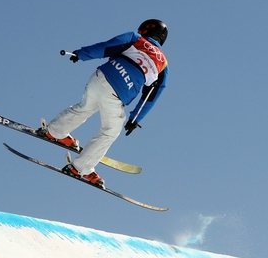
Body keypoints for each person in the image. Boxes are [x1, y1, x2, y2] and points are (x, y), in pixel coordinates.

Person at [37, 19, 169, 188]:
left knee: (84, 107)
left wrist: (81, 54)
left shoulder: (135, 38)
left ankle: (54, 131)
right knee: (110, 131)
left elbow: (108, 46)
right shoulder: (163, 65)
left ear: (143, 30)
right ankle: (81, 168)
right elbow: (151, 95)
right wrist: (135, 118)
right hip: (117, 93)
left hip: (99, 79)